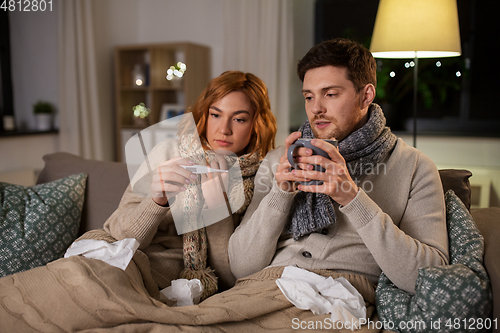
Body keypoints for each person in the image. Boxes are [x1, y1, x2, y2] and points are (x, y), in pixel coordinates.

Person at [0, 71, 278, 330]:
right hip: (119, 253)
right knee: (46, 287)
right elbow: (118, 233)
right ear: (204, 113)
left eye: (239, 119)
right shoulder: (168, 151)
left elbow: (230, 276)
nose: (224, 129)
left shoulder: (261, 177)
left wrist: (216, 206)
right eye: (216, 114)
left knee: (84, 295)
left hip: (159, 275)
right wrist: (156, 202)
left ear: (256, 124)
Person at [228, 38, 449, 300]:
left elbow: (430, 278)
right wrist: (280, 193)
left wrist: (353, 198)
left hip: (340, 298)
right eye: (309, 96)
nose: (316, 108)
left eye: (330, 94)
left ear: (366, 95)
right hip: (263, 289)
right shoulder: (280, 160)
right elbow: (241, 267)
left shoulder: (414, 167)